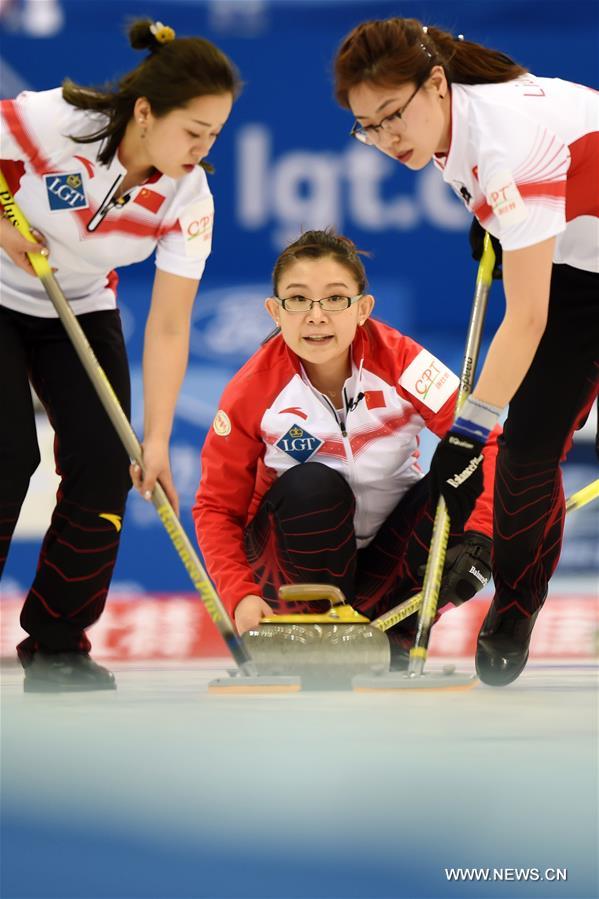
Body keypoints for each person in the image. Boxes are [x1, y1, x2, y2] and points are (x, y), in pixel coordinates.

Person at [332, 17, 599, 685]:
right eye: (368, 126)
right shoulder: (453, 122)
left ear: (436, 84)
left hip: (566, 279)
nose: (386, 139)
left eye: (393, 116)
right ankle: (515, 604)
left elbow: (527, 316)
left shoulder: (504, 143)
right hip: (581, 264)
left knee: (497, 442)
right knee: (525, 456)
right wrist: (500, 231)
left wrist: (468, 428)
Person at [0, 18, 241, 692]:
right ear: (144, 111)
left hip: (77, 303)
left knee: (109, 462)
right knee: (8, 454)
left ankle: (56, 645)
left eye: (213, 135)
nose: (201, 148)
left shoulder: (189, 199)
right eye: (192, 131)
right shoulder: (55, 121)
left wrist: (157, 439)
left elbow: (167, 326)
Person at [193, 229, 498, 666]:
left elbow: (486, 442)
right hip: (291, 571)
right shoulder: (250, 390)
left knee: (452, 481)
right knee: (313, 486)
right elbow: (216, 508)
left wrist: (479, 538)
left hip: (389, 566)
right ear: (275, 312)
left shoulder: (405, 363)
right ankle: (309, 634)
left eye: (335, 299)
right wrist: (238, 594)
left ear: (362, 309)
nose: (316, 316)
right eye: (297, 300)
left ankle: (393, 636)